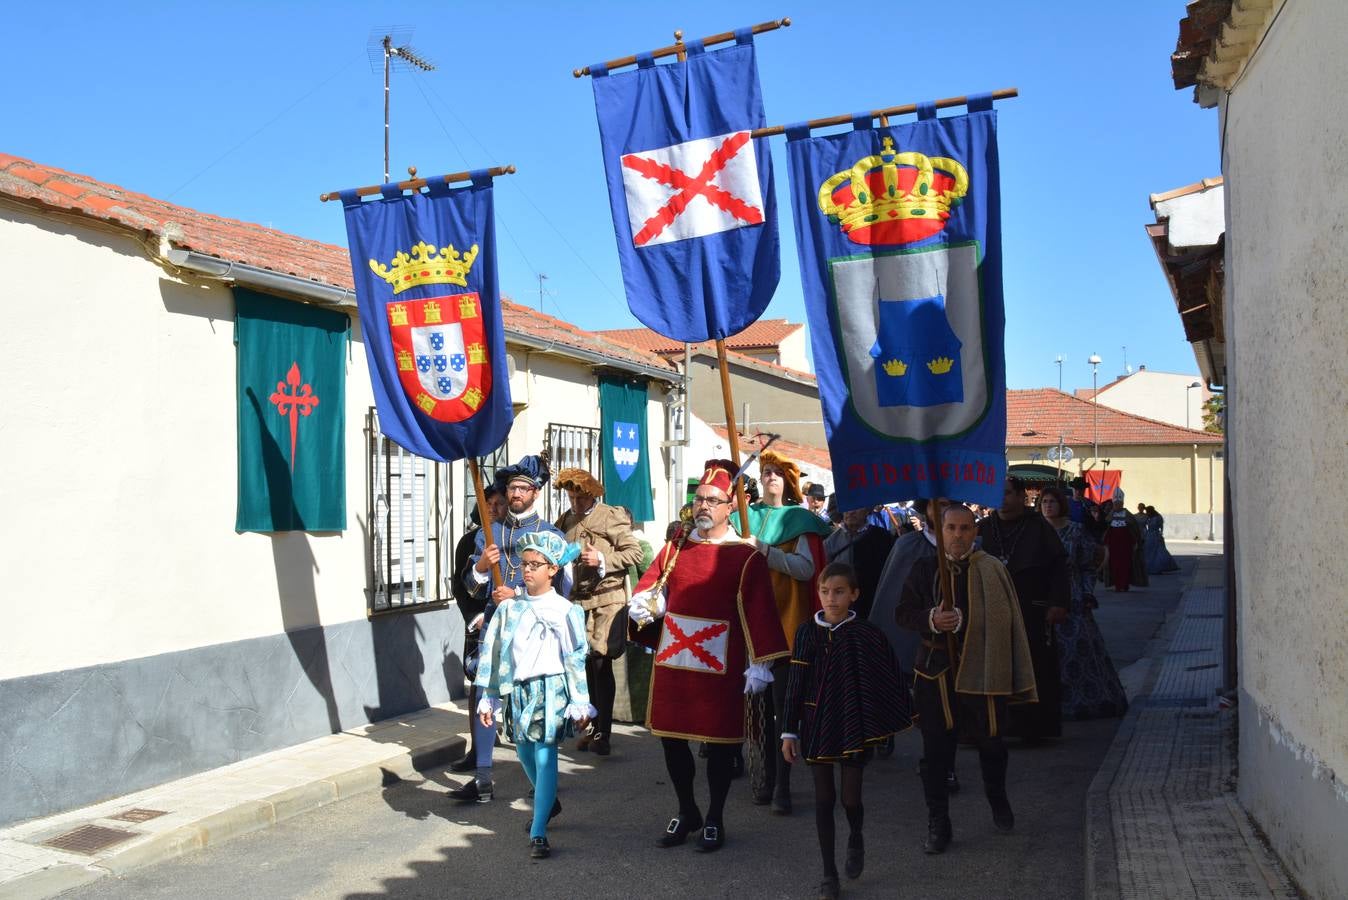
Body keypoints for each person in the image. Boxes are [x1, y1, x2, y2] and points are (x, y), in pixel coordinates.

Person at [628, 459, 788, 852]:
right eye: (698, 499)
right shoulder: (675, 547)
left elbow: (760, 609)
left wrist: (760, 662)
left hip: (723, 663)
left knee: (719, 744)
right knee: (671, 739)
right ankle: (687, 810)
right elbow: (652, 587)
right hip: (675, 661)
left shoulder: (745, 555)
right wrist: (646, 604)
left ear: (730, 505)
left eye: (712, 500)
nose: (702, 506)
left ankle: (715, 816)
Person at [898, 504, 1037, 853]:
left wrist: (968, 621)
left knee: (992, 741)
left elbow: (1006, 618)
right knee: (936, 751)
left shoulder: (991, 569)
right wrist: (931, 618)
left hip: (984, 665)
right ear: (940, 531)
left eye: (965, 528)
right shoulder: (925, 567)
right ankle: (938, 823)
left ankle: (997, 796)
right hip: (935, 669)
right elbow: (902, 613)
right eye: (951, 529)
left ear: (975, 531)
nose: (958, 535)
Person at [781, 562, 909, 899]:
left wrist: (888, 719)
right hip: (815, 723)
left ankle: (856, 834)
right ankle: (829, 874)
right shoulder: (806, 631)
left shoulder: (868, 633)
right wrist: (788, 732)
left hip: (854, 723)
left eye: (839, 591)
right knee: (824, 800)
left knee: (850, 799)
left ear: (854, 594)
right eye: (825, 591)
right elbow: (795, 683)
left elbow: (887, 679)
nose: (831, 598)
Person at [450, 454, 568, 804]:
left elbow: (561, 592)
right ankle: (483, 778)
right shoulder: (491, 532)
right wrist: (483, 567)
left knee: (531, 705)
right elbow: (470, 588)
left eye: (523, 487)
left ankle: (542, 780)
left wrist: (516, 594)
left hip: (535, 633)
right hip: (495, 629)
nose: (515, 493)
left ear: (536, 492)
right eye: (511, 487)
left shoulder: (550, 535)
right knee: (486, 695)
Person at [474, 532, 592, 859]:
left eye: (535, 565)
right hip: (520, 691)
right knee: (524, 753)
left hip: (552, 690)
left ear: (552, 569)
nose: (527, 571)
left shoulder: (566, 610)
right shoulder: (509, 609)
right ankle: (548, 799)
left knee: (545, 756)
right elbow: (494, 655)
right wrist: (490, 696)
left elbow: (575, 657)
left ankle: (538, 832)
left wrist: (580, 700)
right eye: (524, 564)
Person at [743, 450, 832, 813]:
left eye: (778, 472)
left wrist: (764, 551)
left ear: (789, 481)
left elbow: (805, 571)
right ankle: (763, 775)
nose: (771, 477)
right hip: (752, 626)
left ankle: (783, 785)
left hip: (786, 626)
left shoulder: (799, 521)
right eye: (766, 472)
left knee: (784, 710)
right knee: (757, 710)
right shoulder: (743, 518)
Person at [553, 468, 645, 757]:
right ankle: (592, 725)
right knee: (584, 665)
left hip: (607, 599)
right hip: (577, 602)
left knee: (601, 662)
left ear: (591, 495)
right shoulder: (566, 520)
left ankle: (604, 732)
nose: (575, 504)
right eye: (571, 498)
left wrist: (602, 558)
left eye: (580, 499)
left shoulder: (610, 515)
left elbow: (635, 553)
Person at [978, 477, 1070, 742]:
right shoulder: (983, 528)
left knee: (1035, 668)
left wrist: (1058, 603)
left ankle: (1036, 730)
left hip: (1032, 611)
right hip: (991, 613)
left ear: (1021, 496)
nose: (1002, 500)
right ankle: (995, 728)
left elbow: (1058, 568)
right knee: (994, 669)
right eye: (997, 494)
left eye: (1007, 494)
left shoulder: (1039, 528)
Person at [1039, 487, 1128, 720]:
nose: (1048, 506)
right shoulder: (1035, 532)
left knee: (1077, 650)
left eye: (1052, 501)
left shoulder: (1075, 531)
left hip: (1073, 597)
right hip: (1041, 598)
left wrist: (1088, 594)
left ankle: (1083, 701)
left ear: (1062, 504)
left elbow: (1088, 566)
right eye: (1044, 501)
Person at [449, 484, 507, 775]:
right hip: (481, 625)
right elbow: (460, 586)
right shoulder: (469, 541)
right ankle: (478, 751)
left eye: (500, 503)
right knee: (480, 684)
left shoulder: (515, 538)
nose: (494, 509)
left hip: (512, 622)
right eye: (489, 504)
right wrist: (476, 618)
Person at [823, 506, 896, 620]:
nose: (851, 511)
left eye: (857, 507)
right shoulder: (830, 542)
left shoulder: (883, 538)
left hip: (875, 603)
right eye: (847, 507)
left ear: (867, 510)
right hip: (844, 608)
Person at [1102, 493, 1139, 593]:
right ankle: (1117, 585)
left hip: (1125, 545)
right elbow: (1107, 526)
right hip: (1114, 545)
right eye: (1115, 504)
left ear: (1122, 504)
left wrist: (1135, 542)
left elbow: (1134, 528)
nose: (1116, 506)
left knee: (1125, 565)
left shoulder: (1127, 514)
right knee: (1115, 566)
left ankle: (1125, 584)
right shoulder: (1111, 514)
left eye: (1118, 504)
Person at [1143, 506, 1179, 574]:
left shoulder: (1158, 517)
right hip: (1149, 535)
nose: (1147, 513)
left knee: (1158, 551)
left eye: (1147, 511)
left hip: (1155, 534)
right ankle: (1149, 567)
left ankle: (1159, 566)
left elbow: (1161, 526)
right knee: (1148, 551)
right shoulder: (1148, 517)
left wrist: (1160, 534)